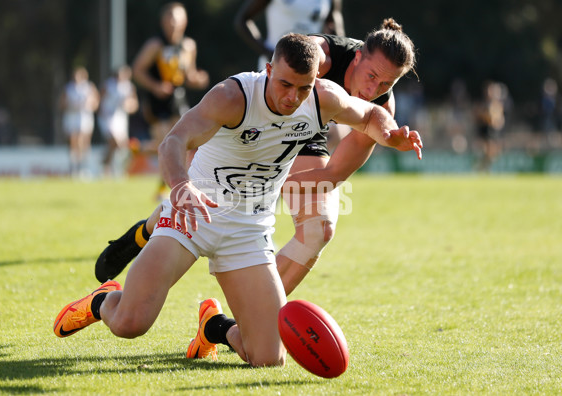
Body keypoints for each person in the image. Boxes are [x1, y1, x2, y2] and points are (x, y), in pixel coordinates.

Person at [53, 33, 422, 368]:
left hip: (249, 230)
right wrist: (181, 188)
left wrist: (392, 135)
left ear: (317, 83)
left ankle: (215, 327)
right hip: (193, 215)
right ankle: (103, 302)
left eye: (303, 89)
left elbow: (372, 114)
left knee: (268, 358)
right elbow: (173, 143)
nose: (292, 97)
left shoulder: (323, 98)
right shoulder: (233, 96)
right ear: (267, 70)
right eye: (285, 84)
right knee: (131, 324)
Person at [94, 19, 417, 298]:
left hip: (311, 131)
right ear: (357, 56)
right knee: (211, 194)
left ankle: (242, 325)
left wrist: (270, 189)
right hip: (273, 111)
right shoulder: (322, 58)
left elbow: (333, 174)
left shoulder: (380, 110)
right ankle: (146, 231)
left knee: (320, 229)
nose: (374, 88)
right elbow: (290, 64)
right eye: (371, 76)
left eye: (387, 84)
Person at [131, 2, 209, 198]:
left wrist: (198, 79)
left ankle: (174, 184)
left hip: (178, 98)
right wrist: (155, 86)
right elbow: (137, 70)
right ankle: (164, 186)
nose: (173, 23)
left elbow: (188, 75)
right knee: (164, 140)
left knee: (182, 142)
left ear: (185, 21)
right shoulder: (155, 45)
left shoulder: (189, 46)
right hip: (157, 102)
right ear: (163, 21)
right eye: (170, 18)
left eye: (177, 18)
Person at [234, 0, 345, 71]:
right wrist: (267, 52)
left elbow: (337, 34)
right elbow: (242, 20)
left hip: (311, 69)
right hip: (273, 68)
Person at [98, 65, 139, 177]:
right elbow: (99, 100)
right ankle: (110, 167)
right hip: (107, 117)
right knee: (115, 142)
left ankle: (106, 164)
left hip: (120, 118)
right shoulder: (108, 85)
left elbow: (134, 105)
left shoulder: (129, 87)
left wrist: (129, 106)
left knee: (120, 146)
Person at [60, 66, 100, 178]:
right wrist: (71, 105)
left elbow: (96, 103)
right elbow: (62, 103)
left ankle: (84, 167)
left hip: (84, 117)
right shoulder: (68, 88)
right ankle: (74, 168)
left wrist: (88, 104)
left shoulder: (89, 87)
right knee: (73, 141)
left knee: (84, 141)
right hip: (72, 117)